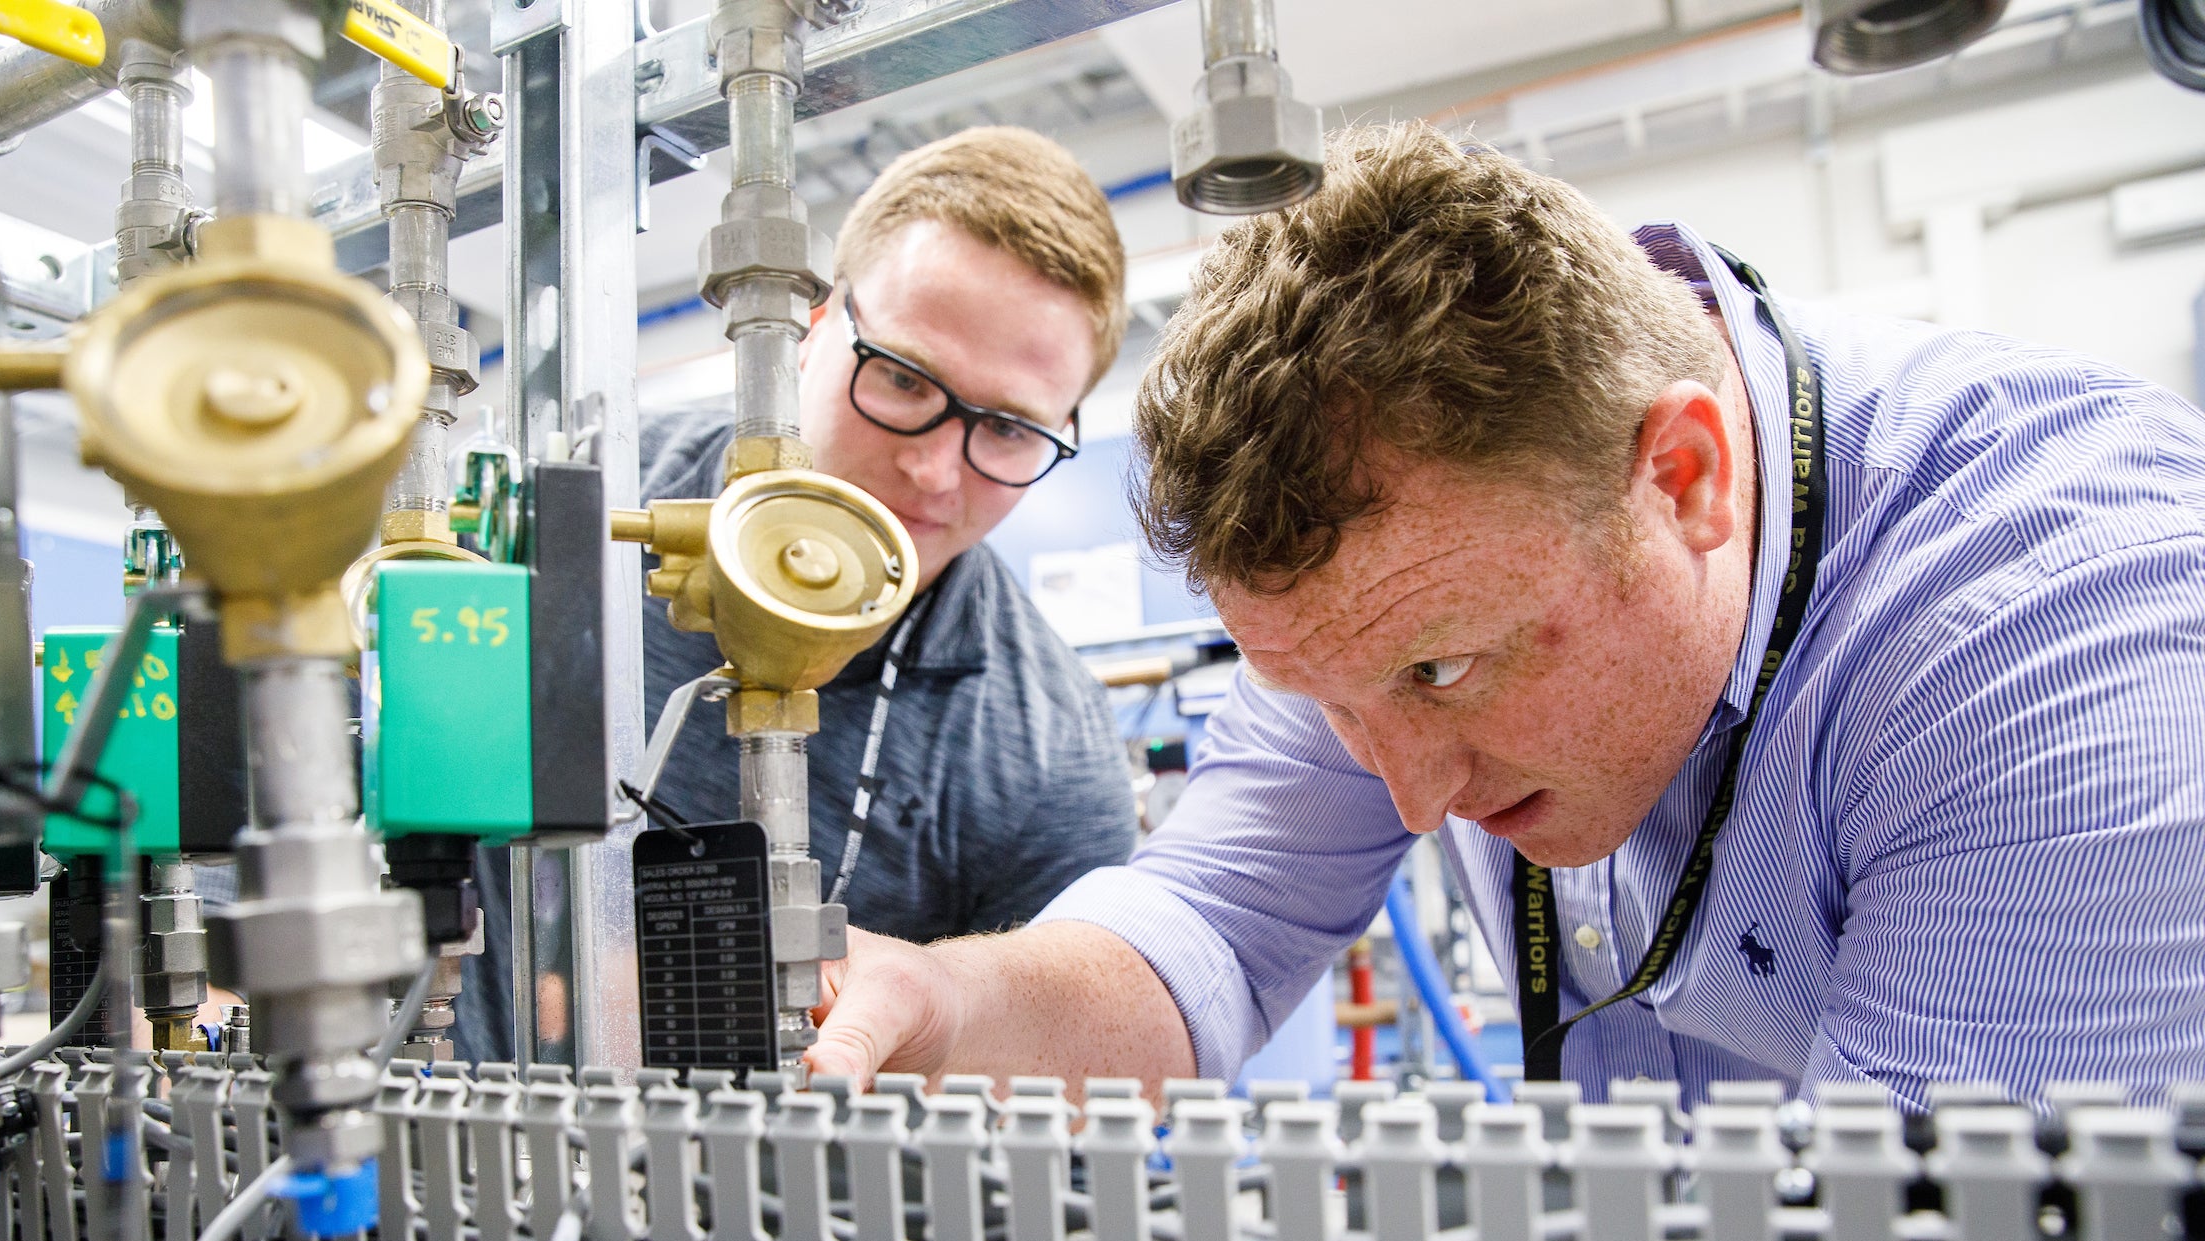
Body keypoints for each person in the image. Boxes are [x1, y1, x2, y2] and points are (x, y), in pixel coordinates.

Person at [801, 119, 2205, 1111]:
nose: (1409, 794)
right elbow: (1210, 930)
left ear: (1686, 478)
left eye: (1449, 669)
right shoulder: (1379, 615)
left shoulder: (2068, 647)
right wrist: (934, 1001)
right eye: (1329, 701)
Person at [453, 126, 1139, 1064]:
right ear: (814, 333)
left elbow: (1043, 1100)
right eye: (903, 378)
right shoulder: (577, 513)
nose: (936, 470)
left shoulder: (1046, 752)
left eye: (1012, 431)